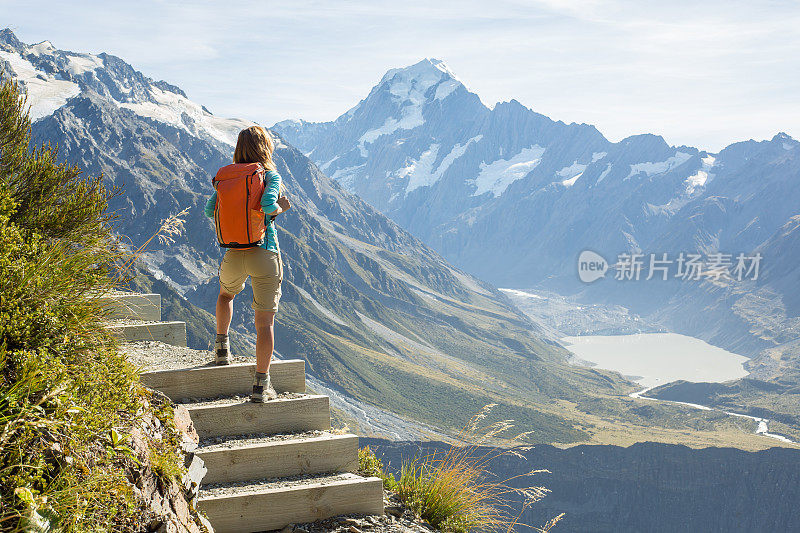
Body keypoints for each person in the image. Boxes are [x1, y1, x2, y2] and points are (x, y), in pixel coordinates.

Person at [204, 125, 291, 402]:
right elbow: (267, 206)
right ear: (265, 147)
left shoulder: (226, 177)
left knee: (225, 294)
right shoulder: (269, 175)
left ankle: (221, 350)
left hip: (233, 252)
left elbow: (209, 210)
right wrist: (280, 209)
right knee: (264, 322)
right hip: (264, 253)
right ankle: (260, 386)